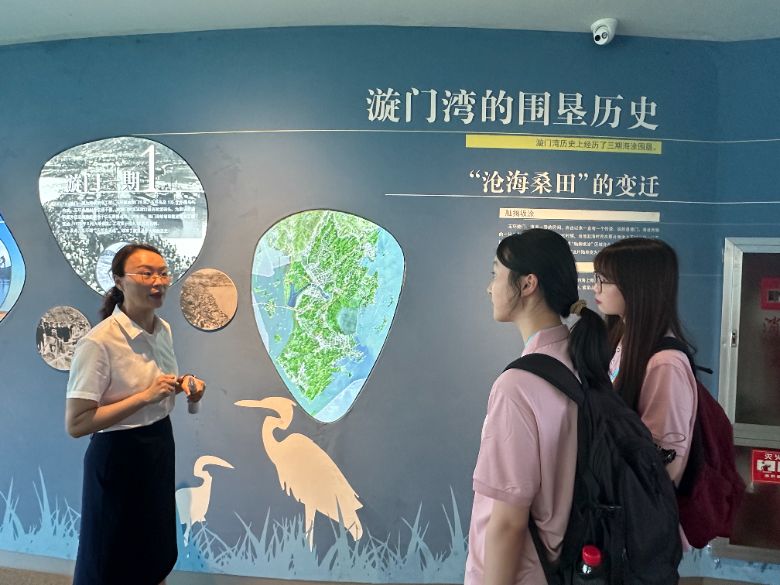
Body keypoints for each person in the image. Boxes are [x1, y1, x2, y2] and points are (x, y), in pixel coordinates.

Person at [466, 229, 612, 585]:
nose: (489, 288)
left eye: (496, 274)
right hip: (563, 564)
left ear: (527, 283)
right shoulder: (581, 361)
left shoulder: (517, 386)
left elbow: (507, 523)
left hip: (524, 572)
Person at [65, 243, 206, 585]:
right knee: (110, 556)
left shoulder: (163, 329)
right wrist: (144, 397)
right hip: (117, 455)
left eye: (163, 273)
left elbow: (157, 386)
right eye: (146, 273)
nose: (158, 281)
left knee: (153, 547)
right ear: (119, 281)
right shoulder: (99, 342)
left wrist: (185, 384)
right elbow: (77, 423)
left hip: (158, 445)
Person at [592, 237, 697, 491]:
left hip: (638, 504)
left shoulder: (665, 364)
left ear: (638, 286)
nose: (596, 288)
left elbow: (663, 463)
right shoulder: (622, 338)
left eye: (604, 280)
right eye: (596, 278)